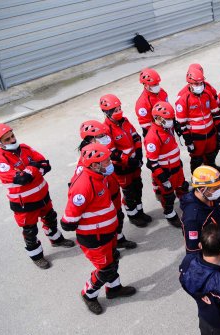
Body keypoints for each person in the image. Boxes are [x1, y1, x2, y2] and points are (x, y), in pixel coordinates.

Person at [61, 143, 137, 314]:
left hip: (106, 233)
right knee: (105, 269)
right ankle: (88, 294)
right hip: (94, 238)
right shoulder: (84, 185)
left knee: (113, 260)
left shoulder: (97, 175)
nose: (110, 163)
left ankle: (114, 289)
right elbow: (70, 217)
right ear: (95, 164)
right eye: (106, 161)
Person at [0, 123, 75, 269]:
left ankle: (56, 240)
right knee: (30, 231)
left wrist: (30, 171)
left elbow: (46, 165)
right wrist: (35, 167)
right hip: (24, 203)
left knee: (50, 218)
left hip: (42, 195)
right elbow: (22, 179)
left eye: (12, 136)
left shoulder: (25, 148)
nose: (12, 140)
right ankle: (36, 256)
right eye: (7, 139)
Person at [76, 120, 137, 250]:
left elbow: (113, 158)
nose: (105, 138)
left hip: (113, 189)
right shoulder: (85, 161)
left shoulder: (101, 150)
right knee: (107, 222)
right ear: (91, 139)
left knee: (118, 216)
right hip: (102, 196)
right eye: (101, 136)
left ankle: (119, 238)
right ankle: (111, 247)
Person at [100, 94, 152, 227]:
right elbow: (112, 152)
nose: (119, 111)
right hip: (122, 167)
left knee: (138, 186)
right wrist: (129, 160)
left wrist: (139, 153)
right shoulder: (106, 130)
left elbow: (135, 136)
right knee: (128, 191)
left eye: (119, 108)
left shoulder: (125, 121)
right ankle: (133, 215)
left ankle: (140, 211)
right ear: (107, 112)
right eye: (115, 110)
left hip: (134, 162)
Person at [144, 101, 188, 227]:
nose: (171, 121)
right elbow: (152, 162)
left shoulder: (166, 128)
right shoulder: (153, 137)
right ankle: (169, 214)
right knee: (168, 196)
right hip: (166, 173)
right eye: (168, 119)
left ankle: (187, 206)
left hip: (176, 168)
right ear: (158, 118)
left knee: (182, 187)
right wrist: (163, 179)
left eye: (171, 118)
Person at [180, 166, 220, 267]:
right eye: (216, 188)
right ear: (203, 189)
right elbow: (193, 251)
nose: (219, 190)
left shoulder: (210, 197)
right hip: (212, 262)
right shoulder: (193, 218)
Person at [176, 64, 220, 174]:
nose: (200, 86)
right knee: (196, 161)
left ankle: (212, 177)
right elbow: (182, 124)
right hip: (196, 137)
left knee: (211, 157)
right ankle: (198, 183)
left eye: (201, 83)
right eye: (197, 84)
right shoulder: (184, 99)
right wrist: (188, 141)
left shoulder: (207, 94)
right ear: (190, 83)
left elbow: (215, 113)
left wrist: (219, 130)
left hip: (210, 134)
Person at [135, 68, 168, 137]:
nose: (157, 86)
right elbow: (145, 124)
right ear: (146, 85)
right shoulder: (142, 103)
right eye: (154, 84)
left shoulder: (162, 92)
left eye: (157, 83)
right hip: (156, 134)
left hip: (167, 127)